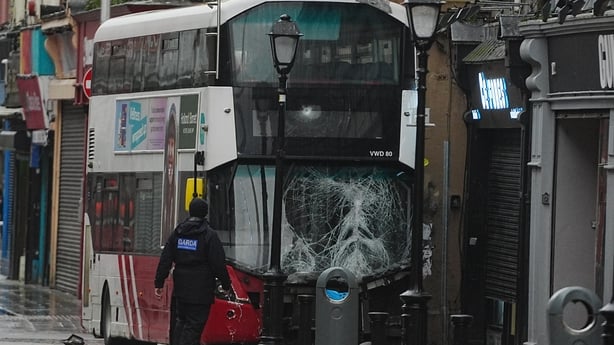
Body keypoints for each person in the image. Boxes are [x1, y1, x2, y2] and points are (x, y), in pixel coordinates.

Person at [154, 197, 231, 345]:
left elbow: (166, 258)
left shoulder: (178, 232)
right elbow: (218, 263)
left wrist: (159, 282)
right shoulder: (209, 235)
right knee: (193, 327)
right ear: (205, 213)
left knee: (180, 322)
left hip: (181, 290)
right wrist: (226, 285)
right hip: (201, 291)